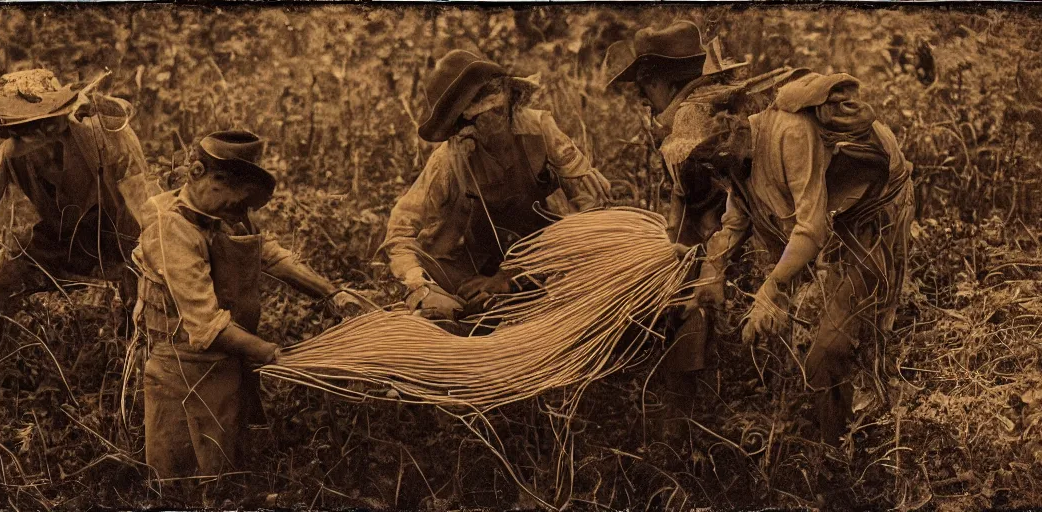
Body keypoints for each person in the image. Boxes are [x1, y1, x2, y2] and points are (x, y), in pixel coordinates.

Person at [132, 130, 365, 502]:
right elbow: (206, 324)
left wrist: (332, 294)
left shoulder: (226, 210)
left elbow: (268, 254)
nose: (239, 215)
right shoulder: (171, 227)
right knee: (179, 479)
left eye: (244, 207)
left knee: (227, 470)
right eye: (235, 204)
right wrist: (274, 354)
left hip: (229, 358)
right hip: (182, 366)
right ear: (197, 173)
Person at [700, 72, 915, 445]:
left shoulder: (789, 134)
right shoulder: (736, 162)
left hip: (870, 216)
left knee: (827, 350)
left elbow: (811, 228)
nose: (712, 167)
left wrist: (770, 288)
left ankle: (837, 452)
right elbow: (734, 223)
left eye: (714, 150)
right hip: (832, 227)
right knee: (804, 339)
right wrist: (713, 270)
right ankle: (823, 419)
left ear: (733, 128)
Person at [0, 69, 162, 407]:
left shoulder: (107, 137)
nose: (20, 138)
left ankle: (133, 398)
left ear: (53, 120)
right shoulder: (10, 150)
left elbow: (147, 208)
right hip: (58, 240)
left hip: (121, 236)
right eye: (15, 130)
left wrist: (153, 265)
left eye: (29, 128)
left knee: (143, 317)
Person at [602, 20, 756, 442]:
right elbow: (683, 199)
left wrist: (697, 258)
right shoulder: (699, 108)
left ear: (662, 82)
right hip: (726, 232)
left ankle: (684, 430)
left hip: (730, 238)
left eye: (645, 87)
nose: (643, 98)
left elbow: (720, 205)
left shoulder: (693, 121)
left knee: (685, 308)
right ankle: (695, 417)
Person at [381, 50, 612, 324]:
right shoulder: (450, 159)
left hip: (547, 256)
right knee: (441, 313)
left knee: (583, 283)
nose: (499, 117)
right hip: (475, 268)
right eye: (485, 114)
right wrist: (420, 287)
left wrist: (514, 275)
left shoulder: (539, 131)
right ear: (464, 125)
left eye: (501, 108)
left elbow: (595, 210)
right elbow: (400, 231)